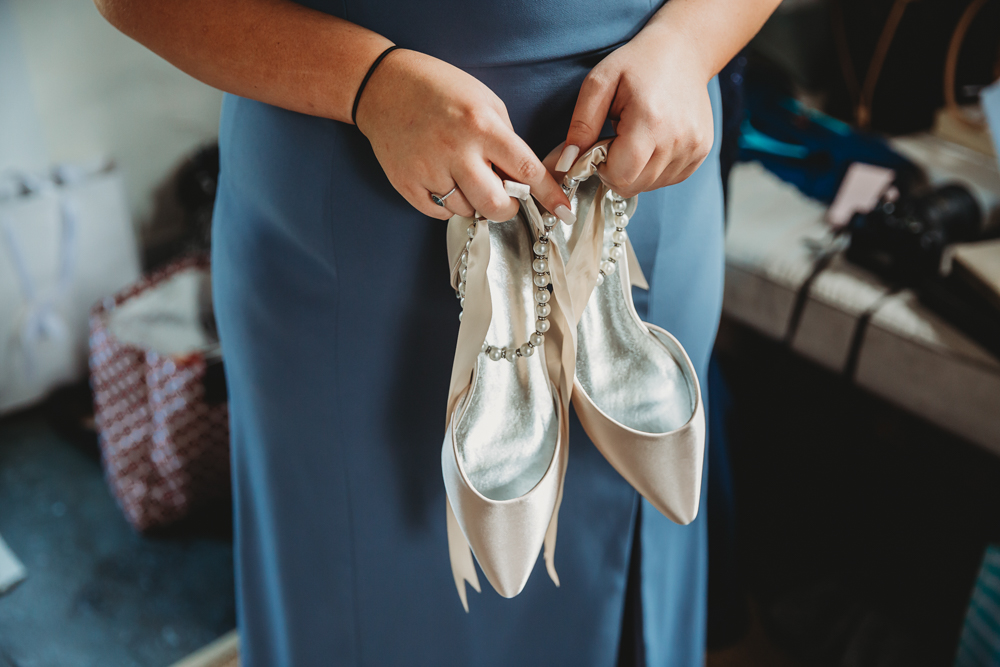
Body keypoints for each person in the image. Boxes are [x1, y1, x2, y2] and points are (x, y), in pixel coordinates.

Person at [95, 1, 780, 665]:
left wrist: (692, 38)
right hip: (352, 215)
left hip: (639, 175)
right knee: (369, 602)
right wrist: (369, 81)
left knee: (637, 567)